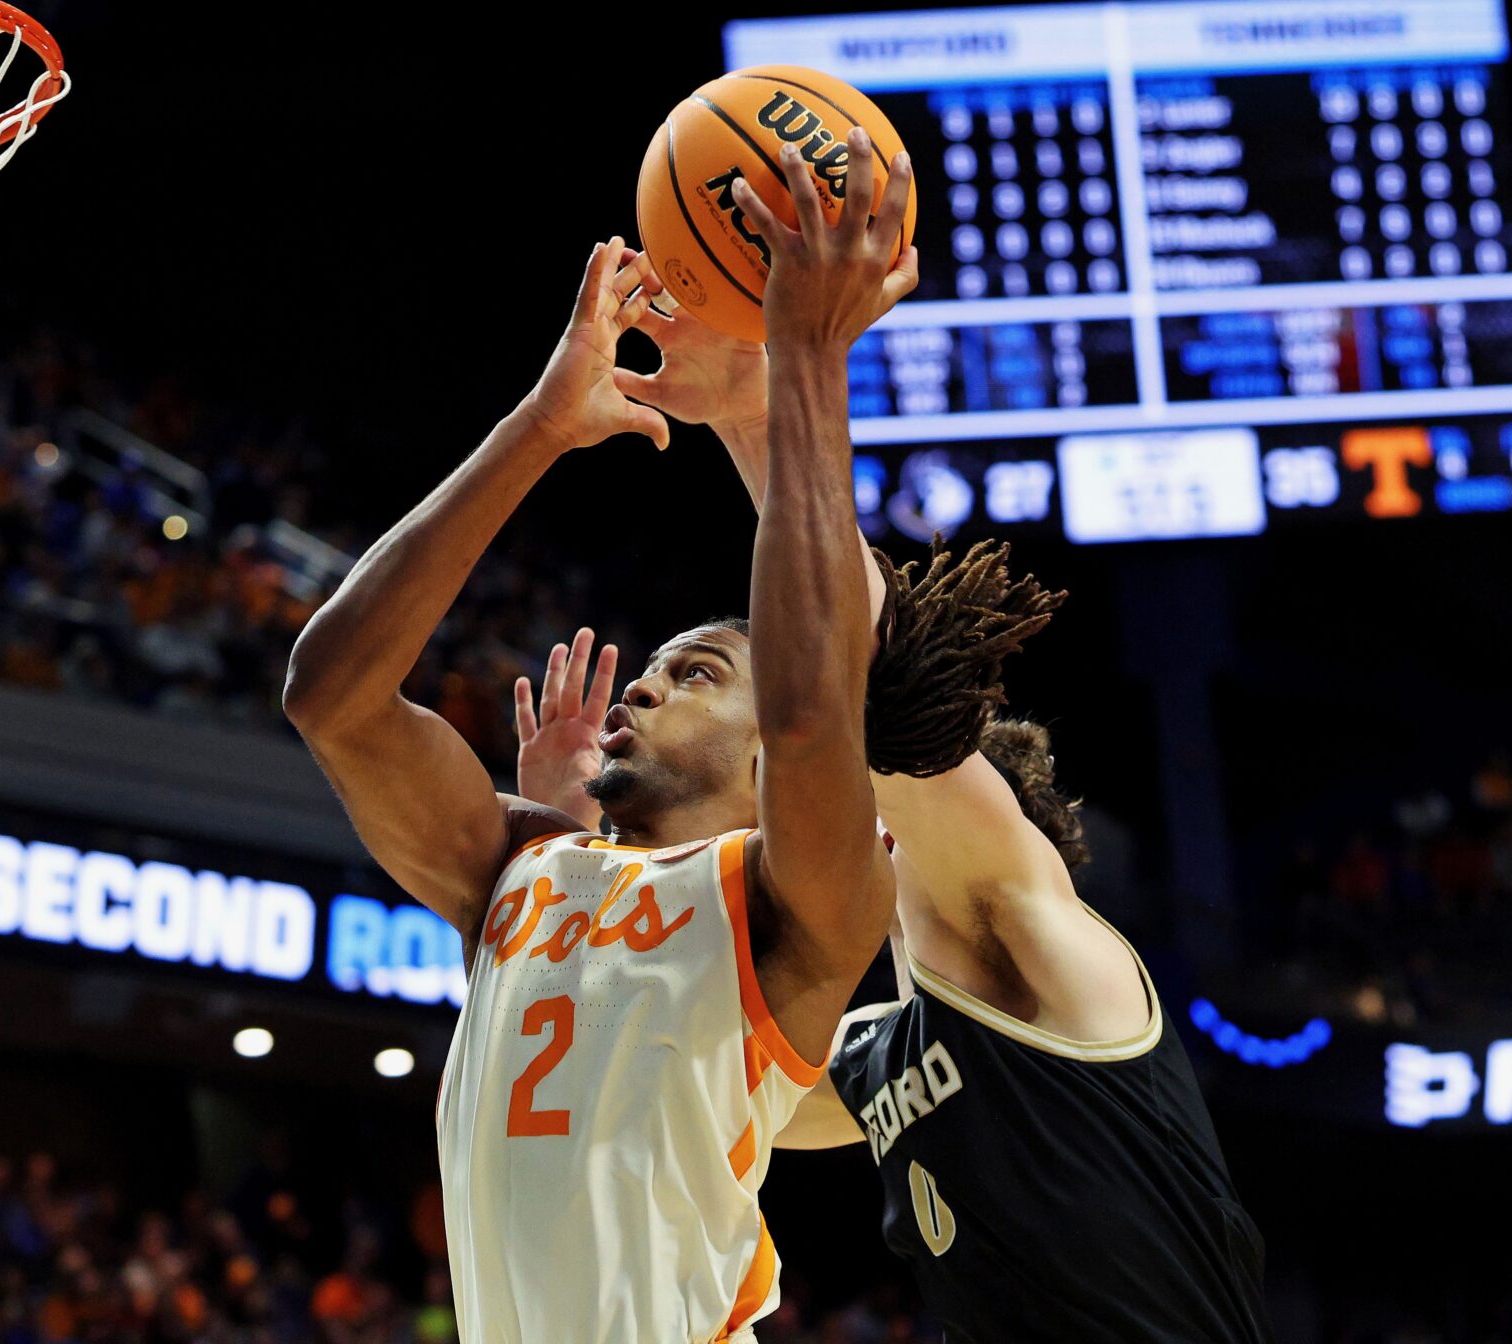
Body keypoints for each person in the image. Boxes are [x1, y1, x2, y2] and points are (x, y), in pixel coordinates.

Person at [288, 134, 1036, 1342]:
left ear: (762, 770)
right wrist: (540, 426)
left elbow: (808, 711)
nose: (639, 688)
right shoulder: (517, 875)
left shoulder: (808, 902)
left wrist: (801, 361)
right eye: (651, 670)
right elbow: (331, 696)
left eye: (693, 672)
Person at [513, 221, 1274, 1339]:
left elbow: (860, 678)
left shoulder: (1033, 940)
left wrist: (759, 406)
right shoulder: (882, 1048)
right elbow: (665, 1082)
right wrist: (566, 848)